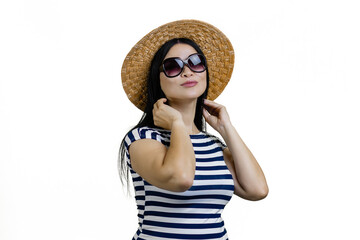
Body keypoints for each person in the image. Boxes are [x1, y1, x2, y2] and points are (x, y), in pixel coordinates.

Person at [119, 20, 268, 240]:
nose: (188, 72)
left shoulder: (214, 145)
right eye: (173, 66)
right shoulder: (142, 138)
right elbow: (181, 178)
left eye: (196, 62)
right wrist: (177, 124)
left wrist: (227, 128)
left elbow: (257, 190)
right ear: (157, 80)